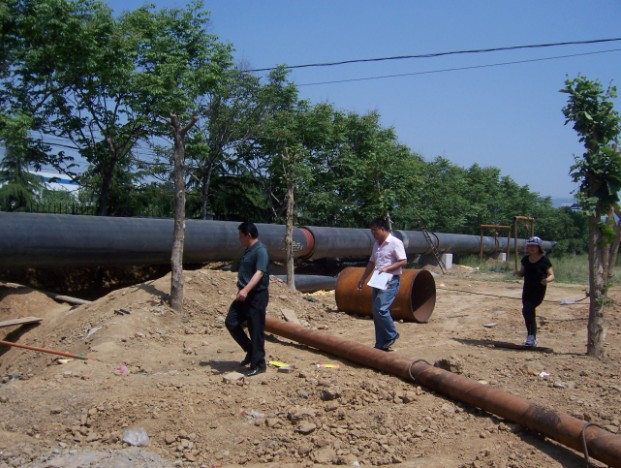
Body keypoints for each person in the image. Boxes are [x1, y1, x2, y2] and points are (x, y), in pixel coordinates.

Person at [225, 222, 270, 377]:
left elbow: (260, 272)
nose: (239, 239)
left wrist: (246, 289)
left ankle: (259, 364)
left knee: (255, 330)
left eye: (241, 236)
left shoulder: (261, 250)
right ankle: (251, 350)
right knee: (231, 321)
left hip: (256, 296)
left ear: (248, 235)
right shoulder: (249, 250)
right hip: (244, 295)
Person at [356, 217, 407, 351]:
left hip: (390, 279)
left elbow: (403, 261)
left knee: (380, 309)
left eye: (375, 230)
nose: (373, 233)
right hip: (378, 279)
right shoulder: (377, 244)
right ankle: (380, 344)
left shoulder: (395, 242)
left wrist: (387, 269)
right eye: (371, 231)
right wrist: (362, 278)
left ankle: (391, 334)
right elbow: (371, 262)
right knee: (376, 311)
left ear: (382, 229)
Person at [514, 236, 555, 347]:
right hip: (527, 289)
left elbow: (552, 275)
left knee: (527, 309)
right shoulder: (525, 260)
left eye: (534, 246)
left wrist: (546, 280)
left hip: (538, 290)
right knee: (528, 312)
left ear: (539, 247)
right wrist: (518, 273)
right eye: (530, 246)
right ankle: (531, 337)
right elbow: (522, 273)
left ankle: (531, 337)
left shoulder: (544, 260)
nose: (531, 248)